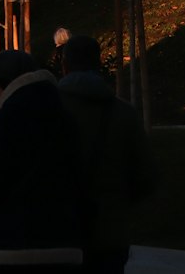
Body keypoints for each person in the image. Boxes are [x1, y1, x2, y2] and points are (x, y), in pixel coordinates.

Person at [0, 49, 84, 272]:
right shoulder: (68, 119)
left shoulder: (4, 120)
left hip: (11, 249)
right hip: (66, 247)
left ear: (5, 84)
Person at [58, 35, 156, 274]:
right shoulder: (124, 114)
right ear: (99, 63)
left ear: (64, 65)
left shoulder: (44, 111)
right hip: (109, 236)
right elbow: (145, 177)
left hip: (57, 234)